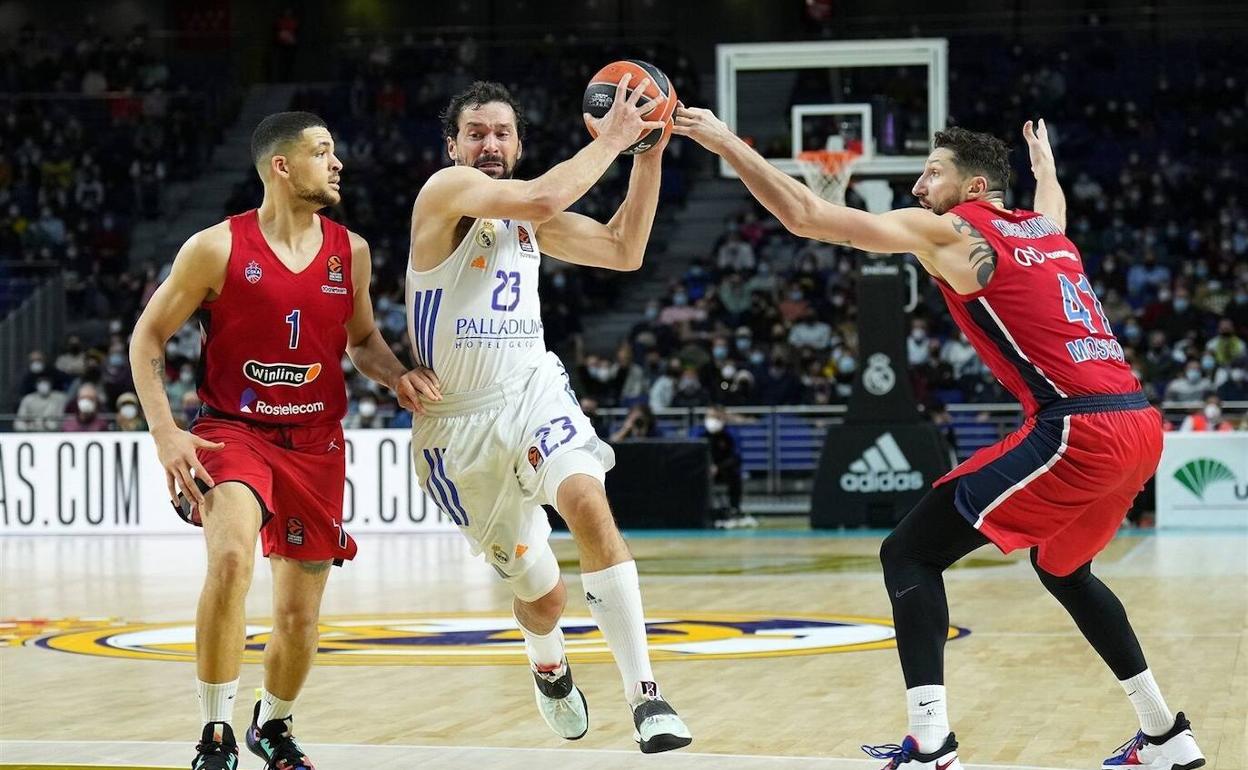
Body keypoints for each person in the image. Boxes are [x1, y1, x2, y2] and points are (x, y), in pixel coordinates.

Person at [673, 108, 1205, 770]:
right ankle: (1165, 734)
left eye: (932, 173)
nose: (919, 187)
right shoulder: (1048, 235)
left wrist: (728, 141)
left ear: (975, 189)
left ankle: (930, 743)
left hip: (1079, 426)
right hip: (1140, 424)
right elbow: (1054, 211)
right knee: (1062, 567)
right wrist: (1048, 173)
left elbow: (809, 217)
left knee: (909, 553)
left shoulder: (955, 231)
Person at [128, 111, 438, 770]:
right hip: (231, 431)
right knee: (232, 560)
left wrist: (397, 376)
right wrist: (165, 433)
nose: (337, 164)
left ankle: (273, 724)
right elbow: (146, 337)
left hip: (317, 441)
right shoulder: (214, 248)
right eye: (323, 152)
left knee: (299, 617)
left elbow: (361, 340)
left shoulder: (349, 250)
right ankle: (216, 732)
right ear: (281, 166)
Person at [404, 79, 691, 753]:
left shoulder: (530, 218)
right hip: (458, 430)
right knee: (543, 594)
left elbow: (625, 248)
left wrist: (647, 155)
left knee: (588, 503)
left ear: (520, 143)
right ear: (452, 147)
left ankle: (645, 696)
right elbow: (542, 194)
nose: (491, 144)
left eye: (503, 133)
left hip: (531, 391)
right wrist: (616, 139)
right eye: (476, 132)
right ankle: (549, 664)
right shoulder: (443, 194)